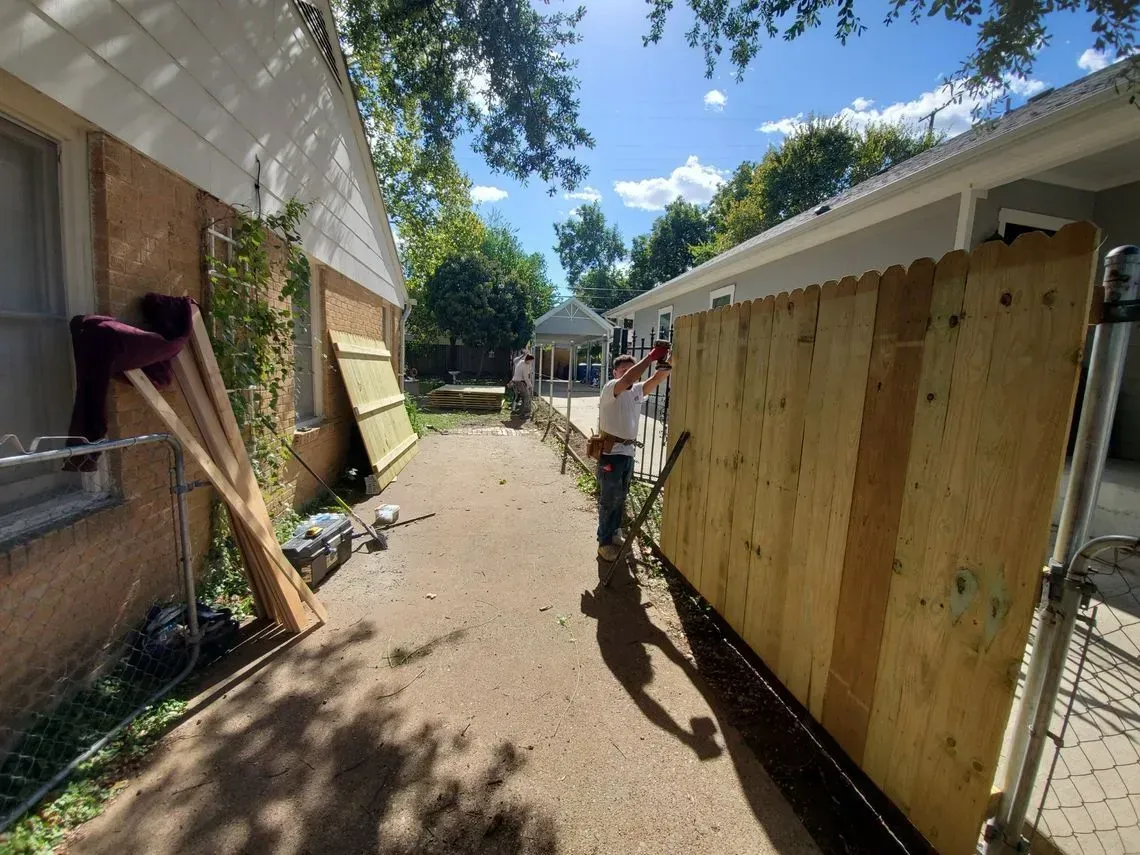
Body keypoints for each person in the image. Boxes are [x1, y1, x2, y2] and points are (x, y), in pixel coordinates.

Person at [595, 342, 670, 561]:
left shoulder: (636, 390)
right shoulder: (611, 388)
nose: (628, 373)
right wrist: (650, 357)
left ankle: (615, 532)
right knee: (609, 499)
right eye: (623, 369)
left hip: (627, 453)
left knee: (620, 497)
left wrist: (669, 360)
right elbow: (628, 380)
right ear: (615, 372)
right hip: (611, 454)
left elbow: (656, 378)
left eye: (631, 369)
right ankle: (604, 542)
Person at [510, 352, 535, 418]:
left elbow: (515, 360)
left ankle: (516, 411)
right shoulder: (525, 366)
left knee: (518, 396)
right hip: (520, 382)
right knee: (526, 397)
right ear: (528, 360)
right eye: (531, 361)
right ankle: (526, 413)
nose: (531, 362)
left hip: (515, 381)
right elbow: (526, 377)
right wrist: (530, 385)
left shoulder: (520, 362)